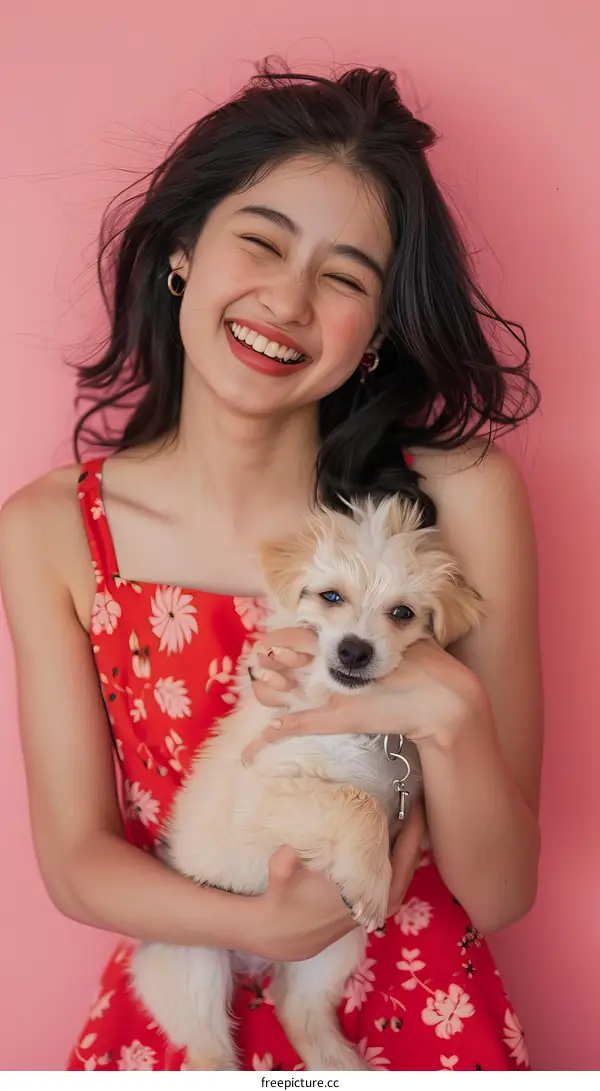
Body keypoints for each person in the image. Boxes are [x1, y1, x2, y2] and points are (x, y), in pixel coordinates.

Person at [0, 62, 542, 1072]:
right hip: (184, 1003)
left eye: (343, 278)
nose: (287, 299)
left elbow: (505, 890)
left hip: (416, 1016)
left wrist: (450, 709)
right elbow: (76, 861)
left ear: (377, 332)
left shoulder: (457, 497)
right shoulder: (54, 529)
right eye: (259, 241)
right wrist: (261, 920)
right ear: (180, 254)